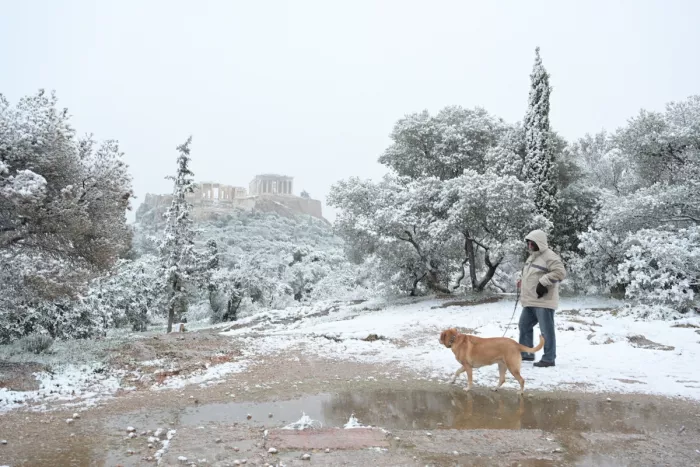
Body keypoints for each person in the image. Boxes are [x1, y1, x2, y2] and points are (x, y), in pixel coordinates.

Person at [516, 229, 566, 367]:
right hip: (530, 300)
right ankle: (526, 353)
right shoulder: (532, 256)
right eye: (528, 242)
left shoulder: (550, 256)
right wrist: (522, 280)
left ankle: (549, 358)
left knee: (546, 331)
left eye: (532, 242)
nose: (529, 245)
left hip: (544, 301)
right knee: (524, 325)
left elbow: (560, 272)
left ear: (539, 243)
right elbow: (531, 274)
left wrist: (544, 281)